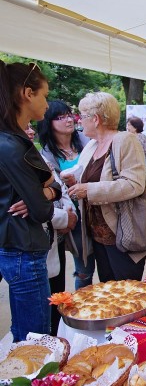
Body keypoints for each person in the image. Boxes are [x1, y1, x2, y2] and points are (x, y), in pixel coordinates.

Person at [0, 61, 62, 341]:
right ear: (27, 93)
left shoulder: (14, 140)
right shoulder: (12, 145)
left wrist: (47, 191)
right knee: (35, 337)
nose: (47, 104)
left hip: (19, 245)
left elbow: (52, 186)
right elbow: (40, 210)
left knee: (27, 332)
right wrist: (45, 195)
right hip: (23, 248)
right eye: (44, 95)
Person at [68, 92, 146, 282]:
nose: (79, 121)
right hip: (99, 236)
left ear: (95, 119)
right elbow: (90, 178)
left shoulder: (125, 140)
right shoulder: (92, 145)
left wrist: (88, 190)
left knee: (127, 294)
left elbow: (134, 184)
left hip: (122, 236)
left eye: (82, 116)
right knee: (108, 293)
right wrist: (74, 182)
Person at [25, 122, 77, 336]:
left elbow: (60, 190)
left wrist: (67, 210)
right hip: (31, 247)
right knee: (37, 317)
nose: (30, 131)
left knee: (57, 300)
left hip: (54, 240)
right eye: (24, 127)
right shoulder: (13, 161)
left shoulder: (38, 158)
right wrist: (65, 217)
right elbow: (30, 207)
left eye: (31, 127)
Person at [38, 100, 94, 290]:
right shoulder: (46, 154)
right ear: (49, 123)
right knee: (84, 269)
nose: (68, 120)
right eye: (60, 117)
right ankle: (84, 307)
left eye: (69, 114)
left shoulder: (87, 140)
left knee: (107, 264)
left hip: (98, 208)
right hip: (73, 216)